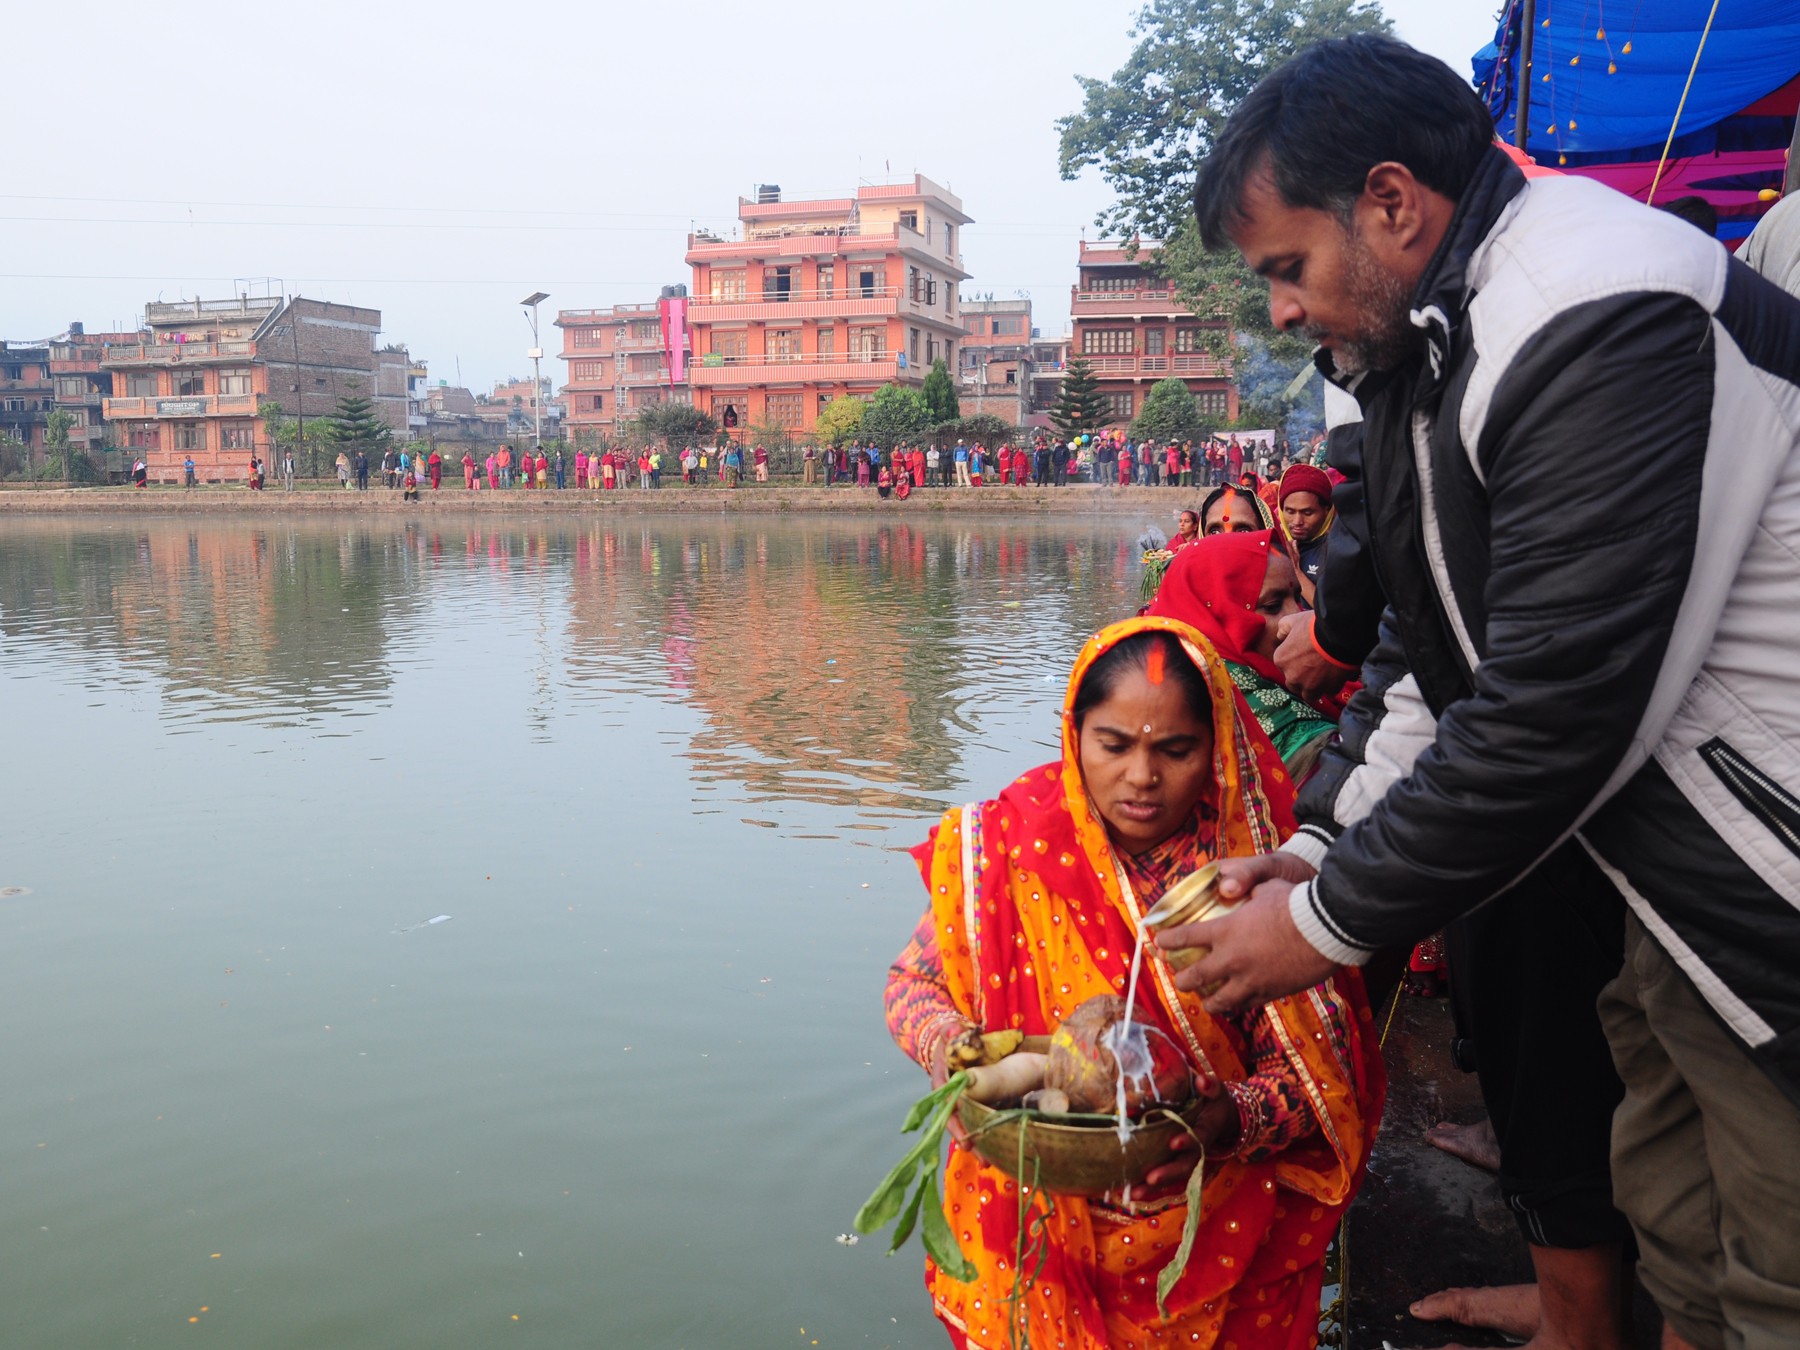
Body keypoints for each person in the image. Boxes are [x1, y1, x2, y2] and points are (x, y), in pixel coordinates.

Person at [1171, 33, 1800, 1350]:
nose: (1280, 310)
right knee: (1682, 1230)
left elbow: (1554, 707)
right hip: (1667, 888)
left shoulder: (1594, 305)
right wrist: (1311, 844)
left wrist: (1329, 919)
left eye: (1290, 267)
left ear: (1394, 204)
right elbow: (1426, 657)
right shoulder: (1424, 349)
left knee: (1779, 1270)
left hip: (1766, 878)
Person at [884, 617, 1384, 1349]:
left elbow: (1320, 1080)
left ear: (1215, 749)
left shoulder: (1247, 874)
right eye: (1113, 746)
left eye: (1174, 750)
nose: (1142, 778)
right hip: (1030, 1223)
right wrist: (950, 1051)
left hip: (1209, 1236)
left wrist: (1227, 1122)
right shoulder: (1005, 844)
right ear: (1074, 735)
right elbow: (913, 984)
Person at [1146, 531, 1339, 781]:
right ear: (1216, 619)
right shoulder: (1308, 743)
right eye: (1272, 606)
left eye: (1297, 599)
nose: (1296, 617)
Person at [1276, 464, 1334, 588]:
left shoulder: (1336, 552)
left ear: (1326, 511)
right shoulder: (1272, 546)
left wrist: (1295, 570)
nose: (1297, 521)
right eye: (1290, 512)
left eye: (1307, 513)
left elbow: (1329, 607)